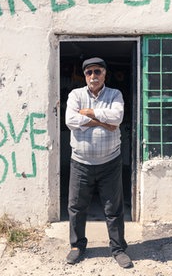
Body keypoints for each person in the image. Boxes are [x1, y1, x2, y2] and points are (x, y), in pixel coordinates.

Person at [64, 57, 132, 268]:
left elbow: (117, 117)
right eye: (89, 72)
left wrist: (90, 113)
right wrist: (102, 122)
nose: (93, 76)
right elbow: (70, 120)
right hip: (80, 162)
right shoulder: (76, 95)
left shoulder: (115, 94)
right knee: (76, 206)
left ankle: (118, 248)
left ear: (105, 74)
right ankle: (77, 246)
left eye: (98, 72)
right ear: (85, 76)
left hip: (110, 162)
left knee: (113, 208)